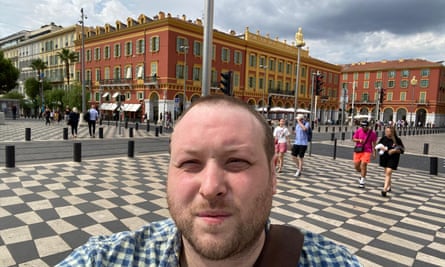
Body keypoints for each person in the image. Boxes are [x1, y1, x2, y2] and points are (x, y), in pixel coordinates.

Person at [57, 95, 361, 266]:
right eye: (190, 163)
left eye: (237, 162)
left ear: (273, 175)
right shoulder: (105, 260)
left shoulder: (332, 262)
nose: (211, 186)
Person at [375, 126, 405, 197]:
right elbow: (378, 146)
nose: (387, 133)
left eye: (388, 131)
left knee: (388, 172)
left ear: (392, 132)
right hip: (384, 157)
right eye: (386, 131)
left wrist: (394, 150)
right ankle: (389, 186)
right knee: (387, 173)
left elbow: (402, 150)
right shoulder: (383, 138)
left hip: (393, 158)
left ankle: (384, 189)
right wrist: (381, 149)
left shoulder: (397, 140)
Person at [352, 120, 377, 188]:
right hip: (358, 150)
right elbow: (353, 139)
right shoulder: (359, 130)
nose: (363, 128)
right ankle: (363, 174)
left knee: (363, 165)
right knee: (356, 166)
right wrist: (359, 140)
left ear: (368, 126)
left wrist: (374, 152)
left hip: (367, 151)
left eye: (365, 126)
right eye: (362, 126)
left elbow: (374, 143)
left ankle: (362, 181)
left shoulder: (372, 133)